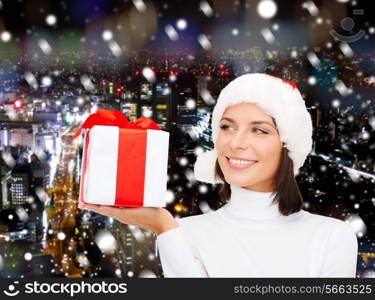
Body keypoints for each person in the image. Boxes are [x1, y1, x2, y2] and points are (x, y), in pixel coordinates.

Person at [78, 73, 358, 278]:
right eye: (227, 127)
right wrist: (165, 229)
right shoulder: (184, 232)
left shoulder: (332, 237)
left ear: (288, 147)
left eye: (259, 130)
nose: (236, 143)